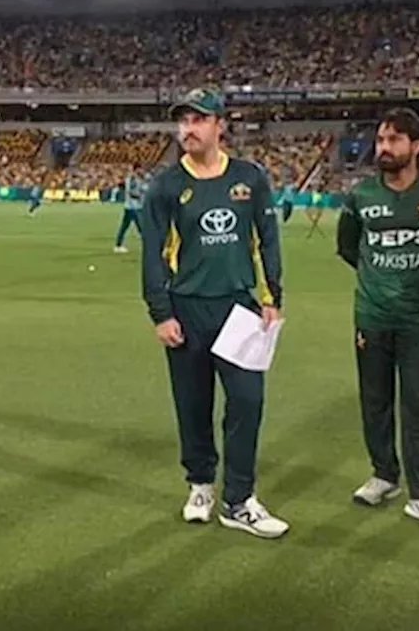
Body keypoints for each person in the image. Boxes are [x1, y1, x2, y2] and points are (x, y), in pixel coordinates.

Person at [140, 88, 288, 539]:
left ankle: (239, 500)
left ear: (220, 125)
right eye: (182, 121)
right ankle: (201, 484)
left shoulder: (250, 178)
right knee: (192, 404)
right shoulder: (165, 186)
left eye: (198, 120)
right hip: (186, 309)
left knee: (248, 402)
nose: (188, 129)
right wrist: (160, 312)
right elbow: (152, 254)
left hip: (240, 307)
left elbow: (267, 238)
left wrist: (272, 297)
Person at [336, 107, 419, 532]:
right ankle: (384, 476)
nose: (384, 149)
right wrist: (381, 279)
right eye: (380, 140)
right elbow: (348, 248)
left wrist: (417, 279)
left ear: (417, 146)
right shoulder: (361, 196)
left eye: (393, 140)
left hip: (418, 320)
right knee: (374, 402)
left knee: (417, 405)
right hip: (371, 316)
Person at [114, 163, 146, 252]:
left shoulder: (136, 178)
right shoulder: (133, 179)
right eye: (141, 169)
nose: (143, 171)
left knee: (124, 226)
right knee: (142, 227)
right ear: (137, 169)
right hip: (134, 206)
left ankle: (118, 245)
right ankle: (148, 246)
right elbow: (131, 192)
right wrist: (140, 196)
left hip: (130, 206)